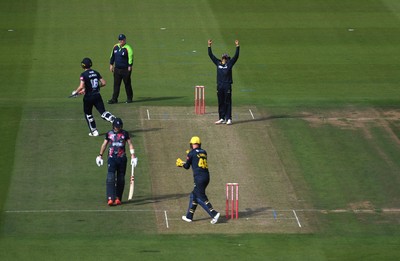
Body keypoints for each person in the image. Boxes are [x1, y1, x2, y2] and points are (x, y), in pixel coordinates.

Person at [176, 136, 220, 224]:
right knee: (194, 195)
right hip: (206, 176)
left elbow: (187, 166)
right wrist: (190, 155)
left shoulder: (191, 153)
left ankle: (214, 214)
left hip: (199, 178)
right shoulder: (204, 152)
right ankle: (189, 216)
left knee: (201, 197)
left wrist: (181, 164)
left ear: (191, 144)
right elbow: (196, 159)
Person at [96, 118, 138, 206]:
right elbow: (104, 144)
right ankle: (110, 198)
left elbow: (130, 144)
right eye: (116, 127)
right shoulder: (109, 134)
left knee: (121, 178)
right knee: (110, 177)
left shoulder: (125, 134)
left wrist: (133, 156)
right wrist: (100, 156)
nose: (118, 128)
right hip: (112, 158)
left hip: (122, 159)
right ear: (113, 126)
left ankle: (118, 198)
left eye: (119, 127)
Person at [71, 57, 116, 136]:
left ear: (83, 65)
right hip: (97, 95)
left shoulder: (83, 74)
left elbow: (81, 86)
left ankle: (94, 131)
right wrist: (95, 87)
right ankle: (112, 119)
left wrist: (75, 92)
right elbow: (104, 83)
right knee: (103, 112)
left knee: (88, 114)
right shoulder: (96, 72)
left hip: (88, 97)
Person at [208, 39, 240, 125]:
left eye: (226, 58)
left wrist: (237, 46)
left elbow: (236, 57)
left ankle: (228, 118)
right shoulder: (218, 63)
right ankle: (222, 118)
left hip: (227, 85)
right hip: (220, 85)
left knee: (228, 101)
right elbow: (211, 56)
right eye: (224, 58)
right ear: (222, 58)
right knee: (220, 102)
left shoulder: (229, 64)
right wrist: (209, 46)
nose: (225, 59)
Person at [108, 34, 134, 104]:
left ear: (125, 40)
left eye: (122, 40)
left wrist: (130, 66)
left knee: (127, 84)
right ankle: (114, 99)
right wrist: (111, 64)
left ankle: (129, 98)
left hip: (125, 69)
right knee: (116, 85)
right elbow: (112, 56)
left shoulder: (128, 48)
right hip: (117, 69)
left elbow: (130, 57)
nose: (121, 41)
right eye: (120, 40)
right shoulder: (115, 47)